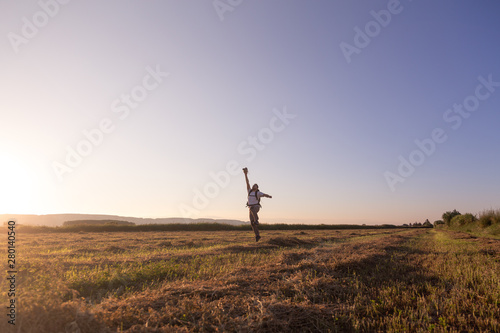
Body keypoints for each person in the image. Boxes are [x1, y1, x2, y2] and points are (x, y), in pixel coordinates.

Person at [243, 167, 272, 242]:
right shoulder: (249, 191)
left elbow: (264, 194)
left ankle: (257, 220)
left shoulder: (258, 193)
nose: (253, 186)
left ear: (257, 187)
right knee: (252, 223)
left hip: (256, 207)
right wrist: (245, 174)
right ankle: (257, 235)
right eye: (253, 185)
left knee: (253, 210)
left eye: (255, 185)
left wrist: (268, 196)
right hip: (250, 208)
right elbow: (247, 182)